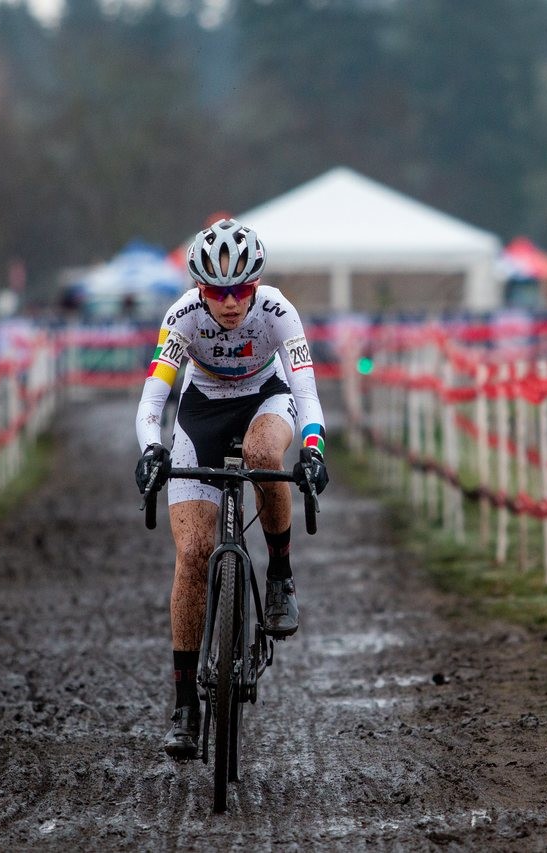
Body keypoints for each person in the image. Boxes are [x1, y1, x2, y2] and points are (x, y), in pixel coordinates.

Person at [132, 218, 328, 761]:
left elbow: (307, 395)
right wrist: (152, 450)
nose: (231, 302)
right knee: (194, 553)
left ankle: (281, 575)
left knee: (266, 458)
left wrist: (311, 449)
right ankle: (184, 707)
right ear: (200, 288)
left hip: (265, 397)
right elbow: (152, 403)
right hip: (201, 412)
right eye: (218, 291)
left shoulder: (277, 312)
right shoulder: (181, 318)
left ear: (256, 284)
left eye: (241, 289)